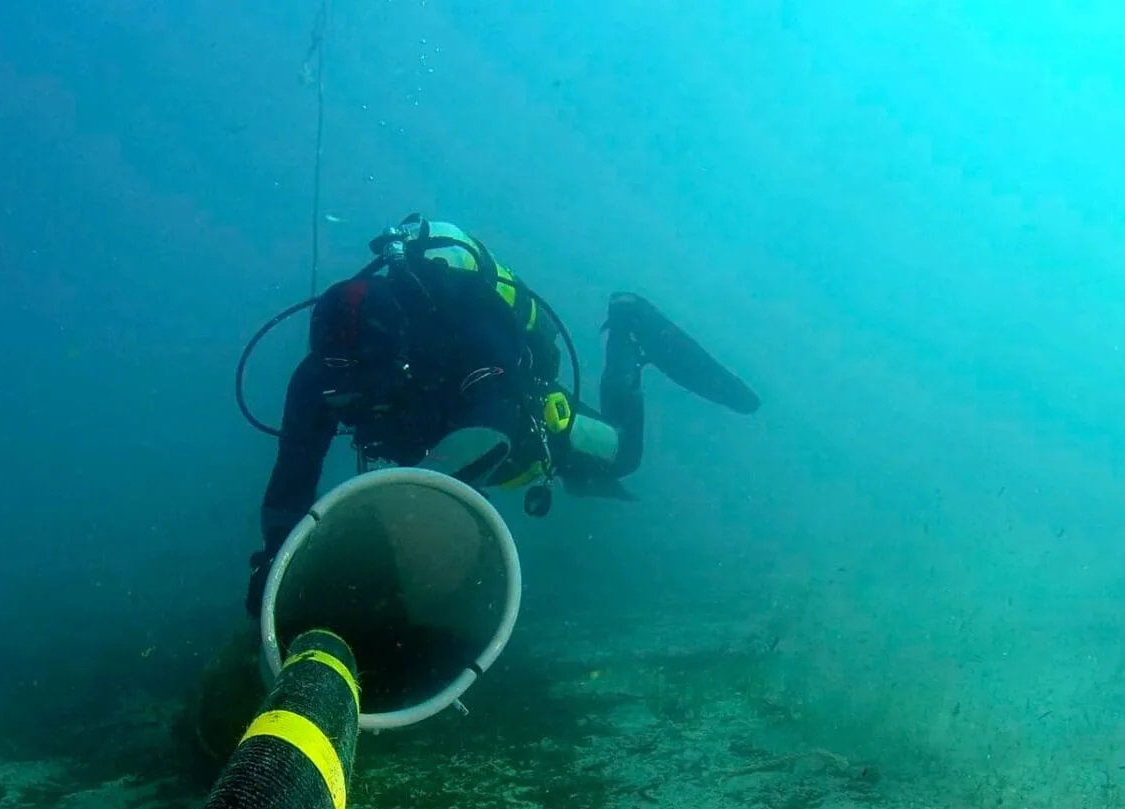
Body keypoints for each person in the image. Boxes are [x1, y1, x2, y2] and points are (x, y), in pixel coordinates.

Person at [243, 215, 762, 616]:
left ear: (399, 351)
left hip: (515, 419)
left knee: (621, 455)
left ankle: (627, 327)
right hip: (438, 446)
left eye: (363, 381)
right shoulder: (319, 377)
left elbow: (496, 425)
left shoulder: (467, 327)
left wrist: (403, 510)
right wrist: (276, 560)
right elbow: (294, 468)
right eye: (339, 386)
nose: (349, 398)